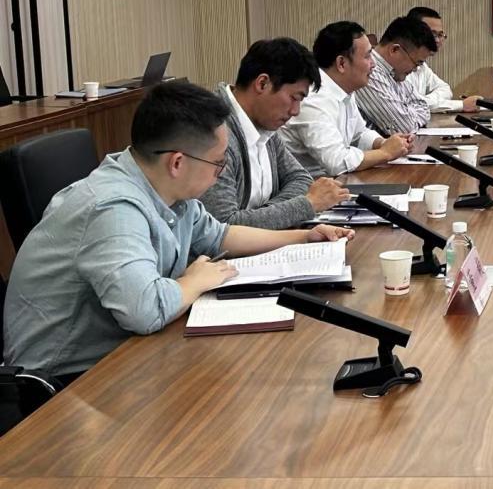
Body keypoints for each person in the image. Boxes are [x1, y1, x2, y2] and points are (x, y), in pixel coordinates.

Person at [2, 81, 354, 380]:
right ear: (177, 162)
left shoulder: (166, 190)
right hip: (66, 382)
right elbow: (144, 310)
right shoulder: (113, 209)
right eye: (218, 163)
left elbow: (221, 235)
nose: (221, 173)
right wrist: (194, 282)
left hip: (127, 352)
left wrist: (303, 237)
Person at [199, 38, 351, 229]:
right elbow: (224, 227)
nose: (295, 111)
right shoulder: (213, 132)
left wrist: (265, 214)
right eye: (294, 98)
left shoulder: (264, 122)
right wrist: (307, 205)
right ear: (262, 84)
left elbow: (300, 178)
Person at [278, 21, 412, 177]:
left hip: (333, 181)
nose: (373, 64)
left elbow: (359, 134)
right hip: (309, 185)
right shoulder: (314, 97)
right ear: (341, 63)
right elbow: (337, 162)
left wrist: (383, 143)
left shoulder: (344, 89)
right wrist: (385, 153)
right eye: (367, 56)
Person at [356, 16, 438, 134]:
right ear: (395, 50)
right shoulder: (370, 73)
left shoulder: (395, 73)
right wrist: (408, 113)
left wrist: (407, 114)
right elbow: (404, 128)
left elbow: (423, 106)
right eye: (416, 63)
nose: (415, 69)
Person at [406, 6, 481, 113]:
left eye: (440, 35)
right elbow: (411, 105)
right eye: (432, 34)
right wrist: (461, 105)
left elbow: (445, 89)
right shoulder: (400, 66)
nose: (437, 40)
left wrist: (426, 101)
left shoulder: (422, 66)